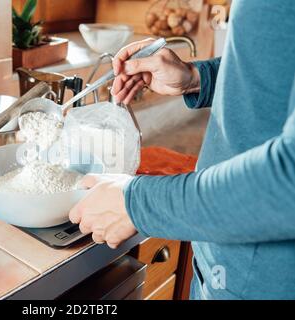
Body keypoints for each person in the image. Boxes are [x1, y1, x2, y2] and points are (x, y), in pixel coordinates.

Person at [69, 0, 295, 299]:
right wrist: (197, 77)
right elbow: (274, 64)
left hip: (266, 282)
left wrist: (136, 203)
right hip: (224, 261)